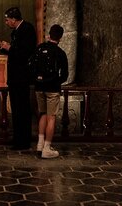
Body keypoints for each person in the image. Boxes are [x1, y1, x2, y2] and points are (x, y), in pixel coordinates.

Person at [0, 7, 37, 150]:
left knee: (22, 109)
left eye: (7, 19)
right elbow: (15, 51)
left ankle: (23, 141)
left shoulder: (27, 29)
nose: (6, 22)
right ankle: (18, 139)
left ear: (14, 19)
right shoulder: (17, 31)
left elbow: (25, 52)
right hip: (16, 77)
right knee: (16, 109)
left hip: (22, 77)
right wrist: (2, 46)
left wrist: (9, 48)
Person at [31, 24, 68, 159]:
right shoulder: (60, 53)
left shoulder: (40, 48)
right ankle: (47, 147)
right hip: (52, 88)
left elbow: (32, 66)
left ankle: (39, 144)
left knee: (42, 114)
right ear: (60, 37)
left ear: (49, 35)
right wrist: (56, 82)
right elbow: (65, 74)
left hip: (39, 87)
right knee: (51, 117)